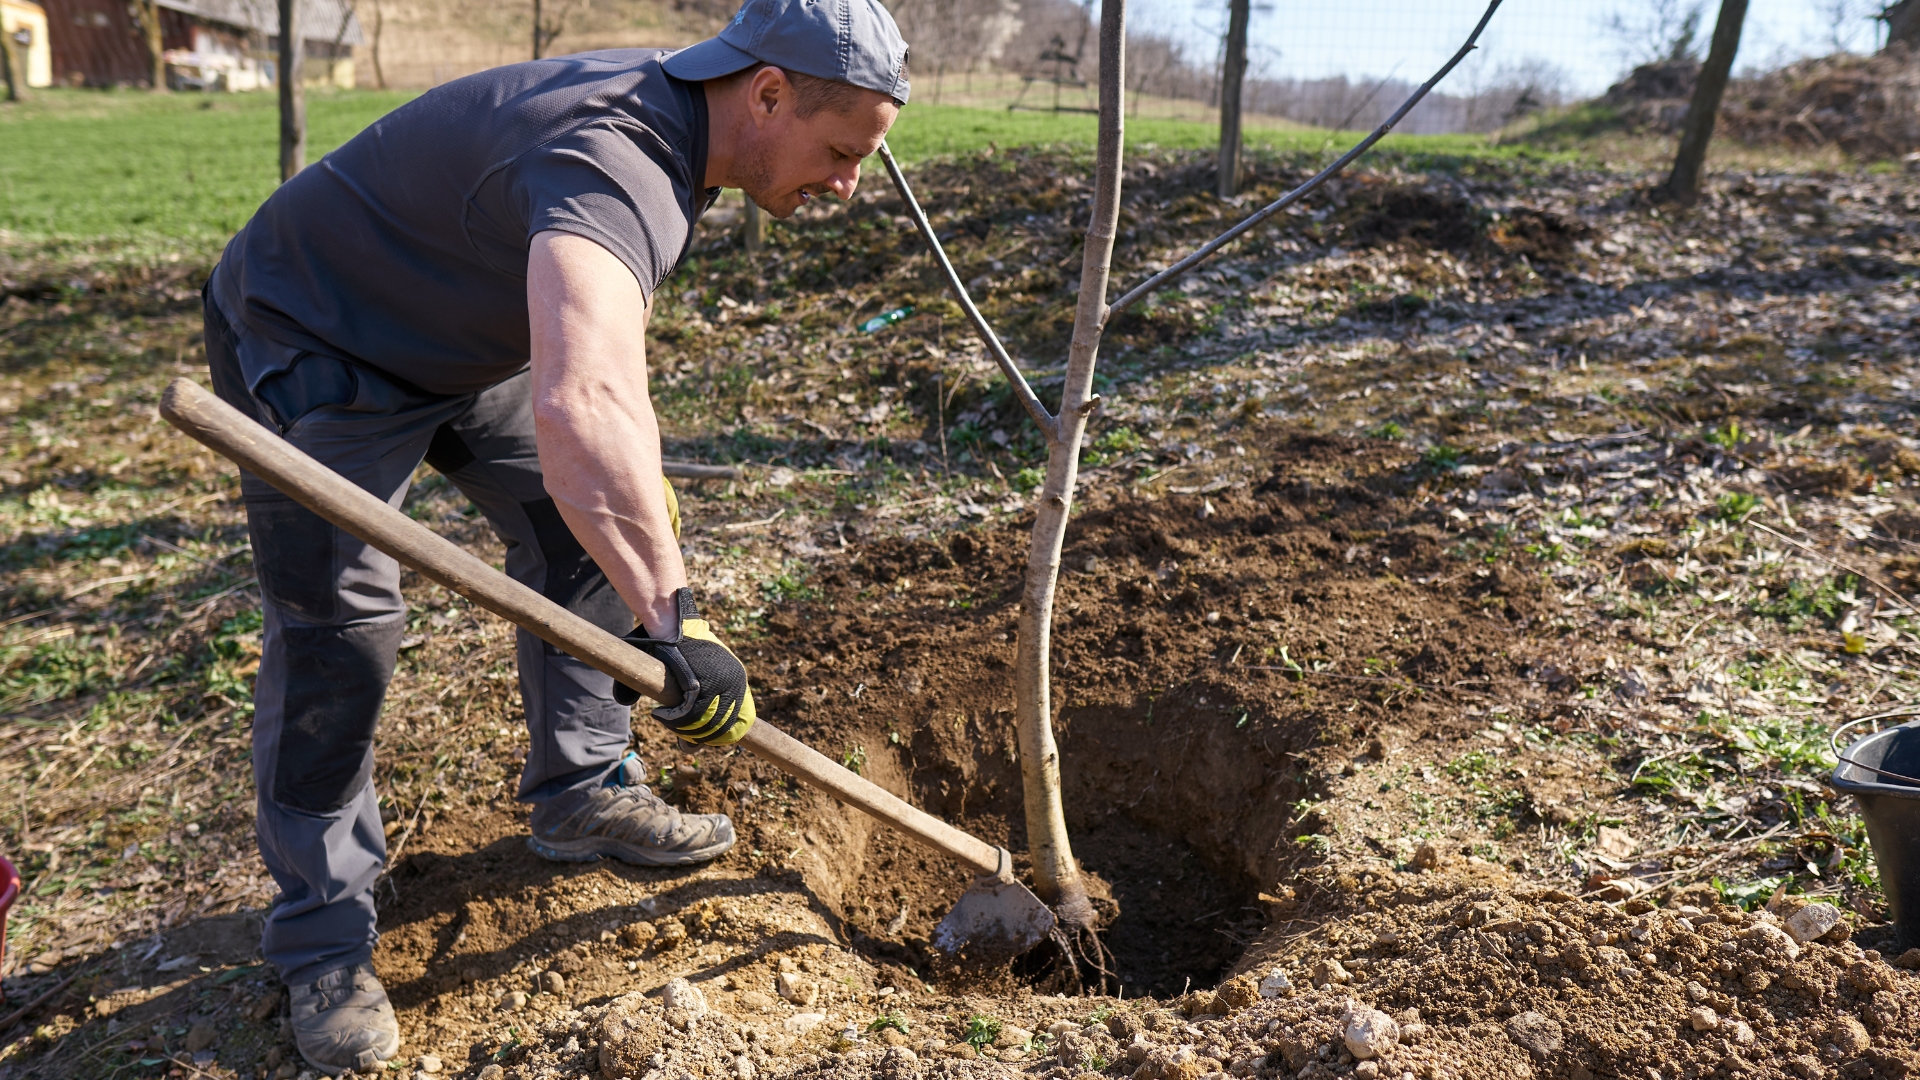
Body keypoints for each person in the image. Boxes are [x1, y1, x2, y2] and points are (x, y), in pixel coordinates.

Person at [201, 0, 909, 1072]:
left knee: (588, 535)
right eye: (843, 152)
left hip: (457, 344)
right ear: (768, 94)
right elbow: (584, 407)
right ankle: (321, 938)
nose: (850, 183)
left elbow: (604, 366)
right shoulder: (613, 155)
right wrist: (680, 623)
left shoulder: (687, 136)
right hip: (315, 335)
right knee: (340, 630)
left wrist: (646, 546)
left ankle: (580, 791)